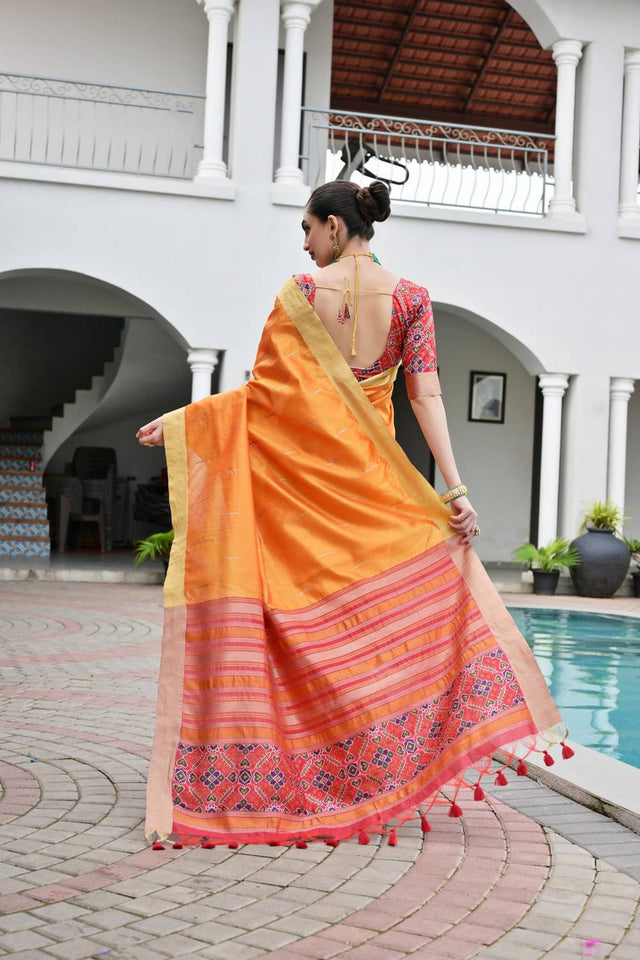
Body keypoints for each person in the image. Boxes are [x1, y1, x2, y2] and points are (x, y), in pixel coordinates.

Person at [138, 180, 569, 850]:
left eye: (309, 229)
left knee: (304, 627)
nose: (305, 245)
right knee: (373, 635)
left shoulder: (301, 297)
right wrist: (454, 490)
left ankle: (321, 772)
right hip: (374, 486)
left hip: (303, 491)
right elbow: (426, 396)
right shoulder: (412, 299)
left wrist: (185, 423)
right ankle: (369, 773)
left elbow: (265, 398)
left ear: (336, 227)